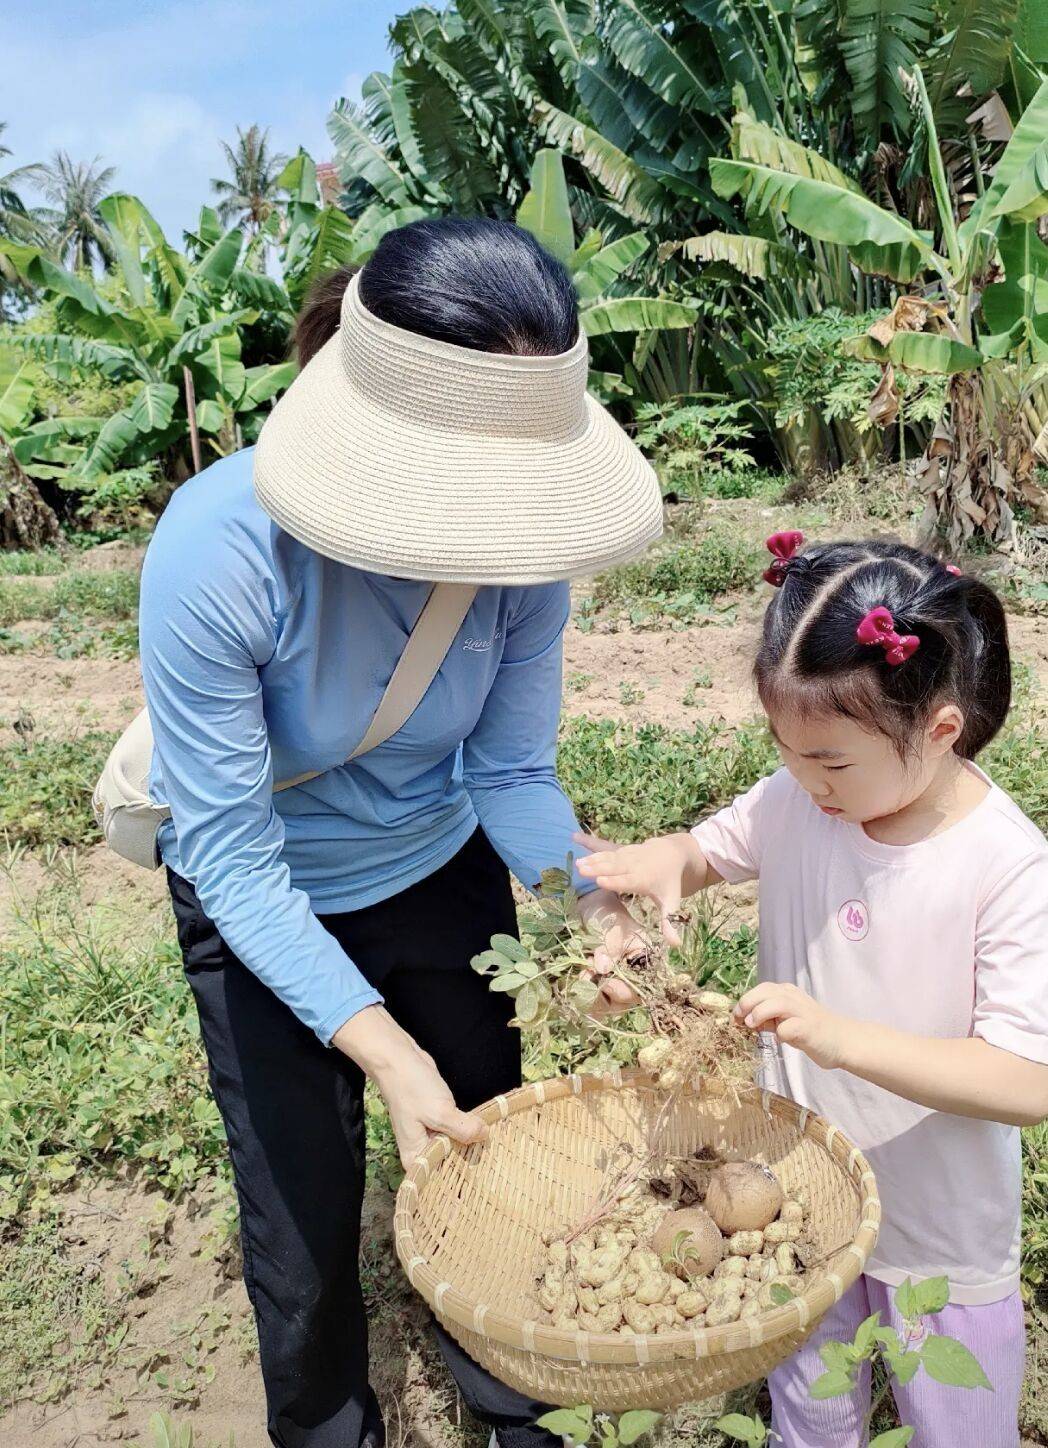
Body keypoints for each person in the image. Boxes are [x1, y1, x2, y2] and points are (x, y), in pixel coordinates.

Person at [138, 217, 662, 1448]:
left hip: (437, 867)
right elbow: (232, 854)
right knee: (302, 1214)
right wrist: (382, 1049)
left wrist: (585, 891)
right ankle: (327, 1425)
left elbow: (511, 765)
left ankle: (511, 1397)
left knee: (494, 1162)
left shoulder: (526, 555)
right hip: (266, 892)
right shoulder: (218, 553)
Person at [576, 531, 1048, 1448]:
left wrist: (835, 1037)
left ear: (940, 730)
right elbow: (697, 851)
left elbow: (1027, 1080)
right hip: (795, 1205)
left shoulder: (1006, 866)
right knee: (811, 1413)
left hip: (939, 1232)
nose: (803, 782)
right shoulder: (801, 799)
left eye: (830, 762)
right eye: (785, 753)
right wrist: (655, 875)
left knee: (956, 1425)